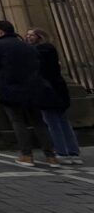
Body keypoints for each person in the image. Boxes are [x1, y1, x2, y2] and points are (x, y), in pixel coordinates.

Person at [0, 19, 56, 166]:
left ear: (0, 31)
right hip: (31, 89)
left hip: (10, 89)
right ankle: (51, 156)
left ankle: (26, 155)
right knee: (38, 121)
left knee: (17, 121)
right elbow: (37, 65)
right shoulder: (26, 45)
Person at [26, 27, 81, 164]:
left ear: (40, 36)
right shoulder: (51, 49)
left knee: (52, 122)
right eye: (27, 35)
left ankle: (62, 152)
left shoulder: (36, 51)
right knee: (63, 121)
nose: (28, 37)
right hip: (58, 88)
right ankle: (73, 152)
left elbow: (36, 71)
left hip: (46, 90)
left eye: (31, 35)